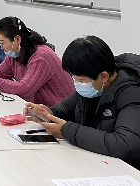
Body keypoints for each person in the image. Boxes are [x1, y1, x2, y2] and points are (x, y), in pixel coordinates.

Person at [25, 36, 140, 168]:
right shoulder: (93, 86)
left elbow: (126, 144)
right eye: (74, 79)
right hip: (97, 161)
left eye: (81, 80)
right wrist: (48, 113)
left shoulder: (132, 94)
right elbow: (66, 108)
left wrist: (67, 131)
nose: (77, 85)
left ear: (104, 76)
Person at [0, 17, 73, 105]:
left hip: (59, 112)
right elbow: (0, 72)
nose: (1, 47)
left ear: (17, 39)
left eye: (3, 43)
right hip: (40, 108)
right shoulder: (16, 53)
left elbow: (24, 89)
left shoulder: (41, 57)